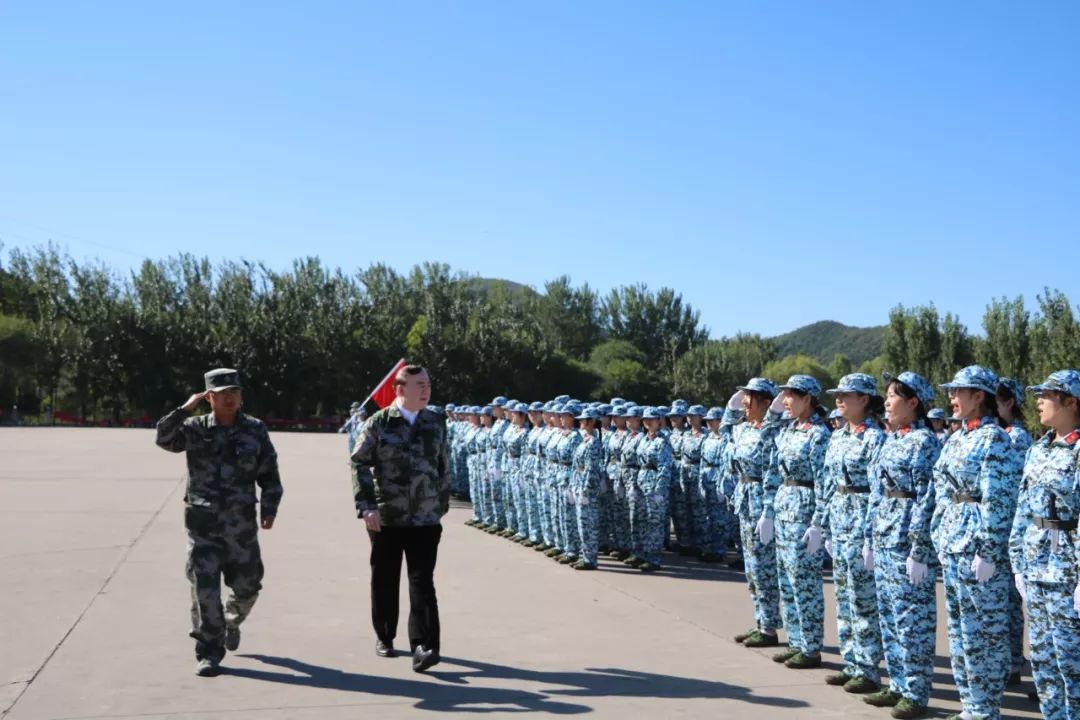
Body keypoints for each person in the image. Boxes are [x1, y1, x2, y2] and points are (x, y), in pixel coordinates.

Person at [154, 368, 283, 677]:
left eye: (234, 392)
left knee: (248, 586)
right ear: (208, 397)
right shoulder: (194, 427)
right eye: (222, 393)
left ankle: (230, 622)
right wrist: (185, 408)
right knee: (204, 590)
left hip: (241, 526)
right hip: (203, 526)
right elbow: (163, 438)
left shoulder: (255, 430)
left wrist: (270, 507)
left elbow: (269, 473)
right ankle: (209, 651)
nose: (230, 398)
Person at [932, 366, 1022, 720]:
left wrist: (989, 550)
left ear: (979, 396)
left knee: (984, 632)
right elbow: (942, 489)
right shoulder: (957, 438)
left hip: (977, 548)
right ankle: (971, 705)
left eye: (959, 392)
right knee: (959, 631)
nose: (952, 398)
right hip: (954, 542)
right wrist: (939, 532)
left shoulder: (994, 439)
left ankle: (986, 709)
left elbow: (999, 500)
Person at [349, 364, 449, 673]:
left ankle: (424, 645)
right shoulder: (379, 424)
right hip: (386, 517)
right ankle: (385, 635)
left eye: (428, 384)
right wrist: (366, 505)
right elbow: (359, 464)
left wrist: (439, 502)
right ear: (400, 390)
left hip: (425, 518)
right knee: (385, 578)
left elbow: (443, 464)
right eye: (419, 384)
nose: (426, 389)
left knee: (422, 581)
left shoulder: (435, 422)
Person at [864, 372, 941, 719]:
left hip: (906, 540)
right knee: (890, 616)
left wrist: (920, 548)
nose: (886, 402)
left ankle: (915, 690)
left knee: (912, 620)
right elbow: (877, 493)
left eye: (893, 396)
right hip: (885, 536)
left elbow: (927, 499)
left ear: (914, 403)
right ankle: (896, 683)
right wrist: (869, 536)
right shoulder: (891, 439)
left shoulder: (925, 442)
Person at [1010, 370, 1080, 719]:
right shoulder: (1039, 448)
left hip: (1069, 571)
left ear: (1071, 401)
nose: (1038, 401)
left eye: (1047, 395)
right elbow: (1024, 508)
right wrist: (1017, 561)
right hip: (1037, 567)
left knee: (1073, 664)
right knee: (1044, 662)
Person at [820, 374, 887, 694]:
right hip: (840, 520)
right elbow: (828, 482)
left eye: (846, 395)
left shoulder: (875, 439)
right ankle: (851, 661)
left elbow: (878, 491)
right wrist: (824, 526)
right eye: (838, 395)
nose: (839, 400)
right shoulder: (838, 437)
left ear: (864, 399)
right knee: (844, 597)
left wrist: (870, 536)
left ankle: (868, 667)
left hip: (861, 523)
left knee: (863, 600)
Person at [769, 375, 831, 671]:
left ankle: (811, 647)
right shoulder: (790, 429)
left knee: (804, 581)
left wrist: (819, 523)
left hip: (804, 510)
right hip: (784, 507)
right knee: (787, 578)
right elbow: (774, 467)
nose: (785, 402)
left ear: (807, 399)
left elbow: (824, 481)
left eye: (791, 396)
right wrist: (769, 512)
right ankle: (795, 641)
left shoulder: (819, 434)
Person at [727, 378, 785, 648]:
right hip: (745, 500)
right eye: (743, 397)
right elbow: (726, 431)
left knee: (765, 568)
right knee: (752, 568)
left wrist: (770, 511)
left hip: (764, 502)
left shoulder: (774, 432)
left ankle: (770, 627)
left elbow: (776, 471)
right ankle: (761, 621)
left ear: (765, 401)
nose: (744, 402)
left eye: (750, 397)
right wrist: (731, 409)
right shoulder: (744, 429)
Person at [997, 377, 1033, 686]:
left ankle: (1012, 662)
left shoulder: (1017, 438)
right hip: (1000, 531)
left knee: (1011, 602)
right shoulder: (999, 434)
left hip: (1011, 529)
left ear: (1009, 402)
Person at [634, 407, 675, 572]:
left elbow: (665, 468)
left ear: (659, 421)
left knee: (655, 522)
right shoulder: (643, 439)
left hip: (655, 485)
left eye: (651, 419)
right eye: (645, 420)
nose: (647, 422)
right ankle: (643, 554)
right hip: (642, 482)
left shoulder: (662, 441)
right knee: (643, 521)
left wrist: (660, 490)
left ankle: (654, 558)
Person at [570, 407, 605, 569]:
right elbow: (576, 465)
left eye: (584, 420)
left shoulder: (594, 442)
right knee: (581, 524)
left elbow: (591, 470)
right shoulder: (585, 439)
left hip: (587, 490)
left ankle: (590, 559)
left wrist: (585, 490)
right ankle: (585, 556)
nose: (581, 422)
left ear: (592, 422)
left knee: (588, 524)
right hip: (578, 485)